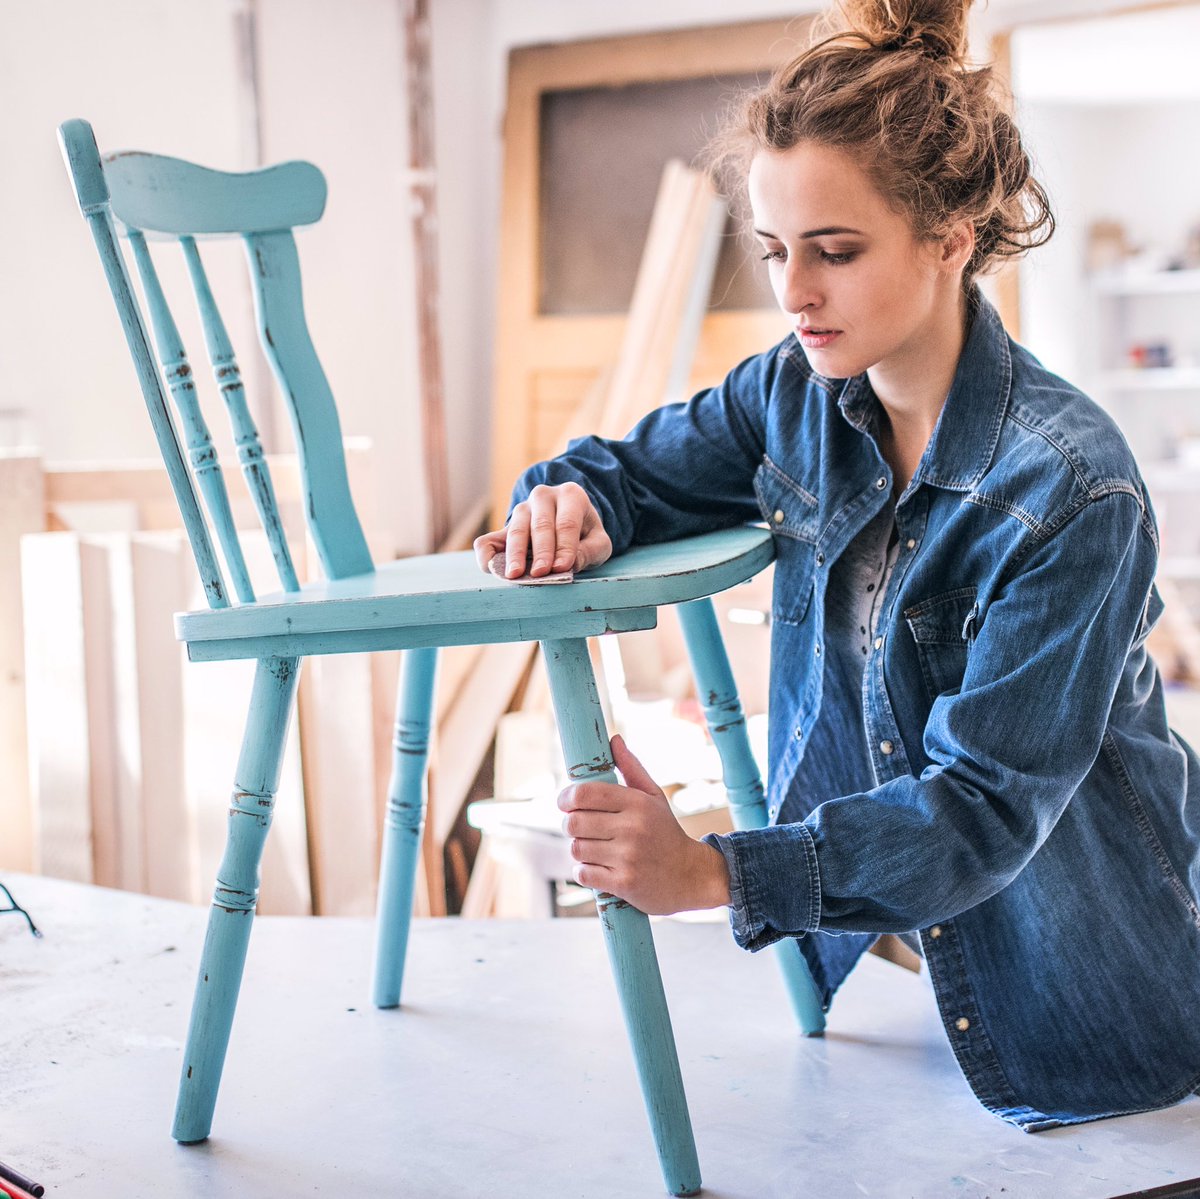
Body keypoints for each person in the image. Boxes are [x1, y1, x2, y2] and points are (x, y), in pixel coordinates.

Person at [475, 0, 1200, 1131]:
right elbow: (620, 469)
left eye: (836, 250)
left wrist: (712, 873)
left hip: (1088, 1011)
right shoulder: (793, 394)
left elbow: (978, 812)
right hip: (883, 977)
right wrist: (565, 503)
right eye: (774, 251)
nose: (794, 291)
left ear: (952, 237)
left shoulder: (1072, 488)